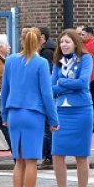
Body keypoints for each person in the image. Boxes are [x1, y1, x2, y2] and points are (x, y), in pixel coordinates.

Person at [1, 28, 59, 187]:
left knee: (19, 161)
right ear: (40, 42)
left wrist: (4, 115)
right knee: (31, 161)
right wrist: (53, 118)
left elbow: (5, 90)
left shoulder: (10, 61)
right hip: (33, 114)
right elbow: (47, 94)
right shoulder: (41, 63)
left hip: (14, 113)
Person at [49, 29, 93, 187]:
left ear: (75, 42)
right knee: (57, 154)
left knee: (81, 155)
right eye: (61, 42)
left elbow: (83, 83)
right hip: (61, 111)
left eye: (67, 42)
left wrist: (62, 83)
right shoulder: (57, 62)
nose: (63, 45)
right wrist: (65, 86)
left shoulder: (86, 58)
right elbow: (51, 87)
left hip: (81, 111)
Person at [38, 27, 58, 169]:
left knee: (46, 128)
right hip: (51, 91)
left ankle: (48, 157)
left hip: (47, 92)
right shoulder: (53, 49)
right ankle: (48, 156)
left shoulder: (45, 53)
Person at [80, 26, 94, 127]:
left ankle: (93, 122)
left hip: (91, 76)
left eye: (82, 34)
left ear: (89, 35)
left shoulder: (90, 46)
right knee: (91, 98)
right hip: (93, 75)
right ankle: (93, 121)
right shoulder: (90, 43)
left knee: (90, 99)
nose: (81, 36)